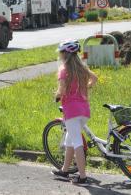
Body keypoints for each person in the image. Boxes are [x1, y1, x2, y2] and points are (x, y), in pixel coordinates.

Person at [52, 39, 98, 185]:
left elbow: (63, 89)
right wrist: (85, 87)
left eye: (60, 53)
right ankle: (65, 170)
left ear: (65, 54)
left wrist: (58, 96)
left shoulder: (64, 70)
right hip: (84, 110)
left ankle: (83, 177)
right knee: (69, 140)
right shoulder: (82, 68)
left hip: (72, 111)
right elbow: (94, 78)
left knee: (77, 142)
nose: (59, 55)